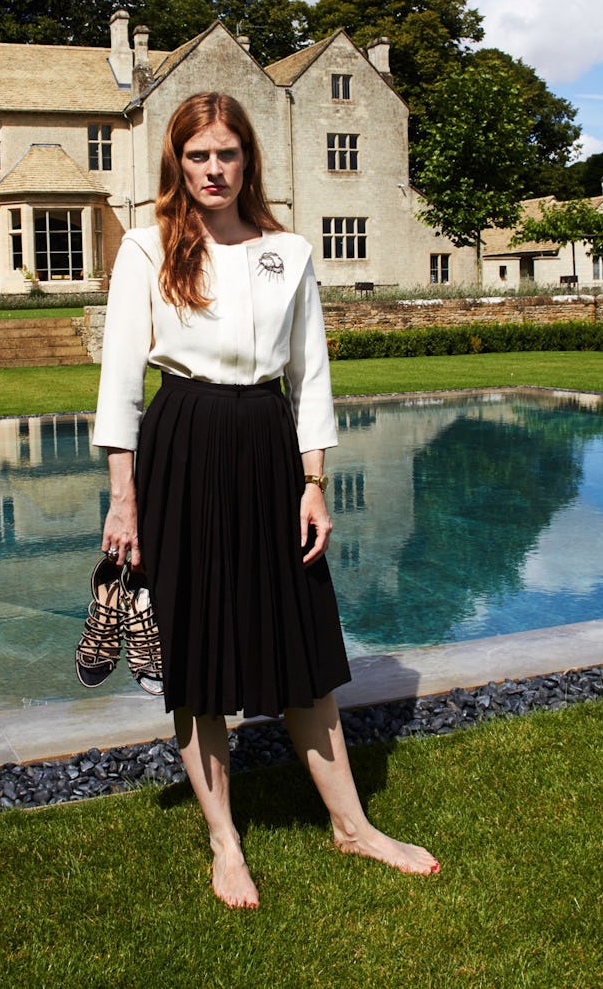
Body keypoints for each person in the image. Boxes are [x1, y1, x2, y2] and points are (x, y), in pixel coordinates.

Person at [92, 92, 439, 908]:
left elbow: (311, 376)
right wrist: (123, 498)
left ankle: (352, 825)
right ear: (177, 165)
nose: (213, 171)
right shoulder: (147, 249)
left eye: (227, 154)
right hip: (183, 441)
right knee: (197, 649)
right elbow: (118, 384)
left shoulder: (291, 250)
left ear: (249, 158)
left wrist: (314, 482)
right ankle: (225, 841)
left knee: (303, 641)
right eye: (197, 156)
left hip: (270, 444)